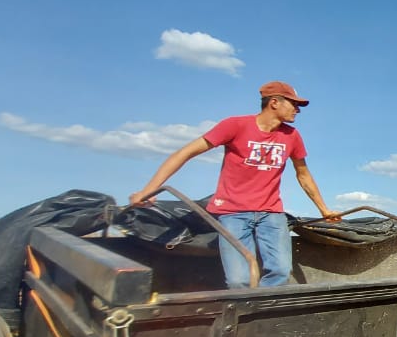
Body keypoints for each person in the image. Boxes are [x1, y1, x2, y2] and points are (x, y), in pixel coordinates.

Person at [130, 81, 339, 288]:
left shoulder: (291, 136)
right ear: (274, 102)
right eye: (294, 104)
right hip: (233, 213)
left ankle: (259, 315)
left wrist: (324, 209)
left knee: (281, 271)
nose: (297, 110)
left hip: (271, 213)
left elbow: (303, 174)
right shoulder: (235, 125)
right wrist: (148, 191)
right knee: (239, 280)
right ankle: (246, 313)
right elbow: (184, 153)